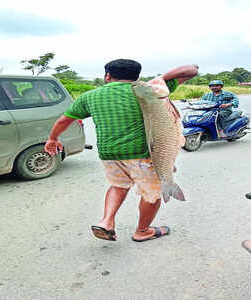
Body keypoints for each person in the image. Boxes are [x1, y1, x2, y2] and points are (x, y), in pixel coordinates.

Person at [44, 59, 198, 242]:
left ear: (108, 76)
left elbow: (63, 120)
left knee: (118, 186)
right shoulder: (149, 90)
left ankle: (106, 222)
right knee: (152, 194)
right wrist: (162, 78)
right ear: (137, 76)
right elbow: (192, 70)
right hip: (143, 155)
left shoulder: (90, 96)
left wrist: (53, 139)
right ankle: (142, 231)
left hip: (109, 154)